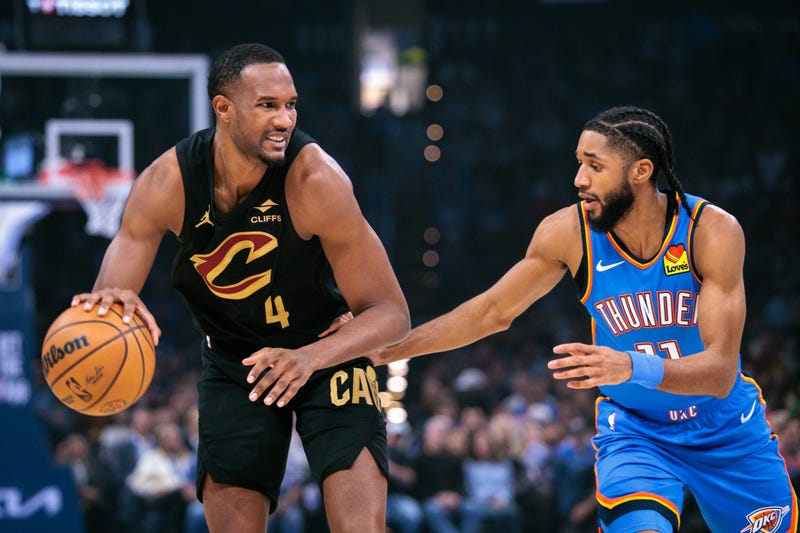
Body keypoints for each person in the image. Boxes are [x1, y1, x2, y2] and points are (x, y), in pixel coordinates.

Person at [372, 106, 798, 532]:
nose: (579, 179)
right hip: (637, 433)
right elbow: (490, 312)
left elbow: (721, 372)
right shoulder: (568, 233)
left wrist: (628, 365)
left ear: (641, 171)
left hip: (723, 425)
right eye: (579, 162)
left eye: (595, 166)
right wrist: (390, 349)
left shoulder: (711, 231)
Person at [72, 43, 410, 532]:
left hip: (327, 350)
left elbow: (392, 314)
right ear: (223, 109)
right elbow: (112, 291)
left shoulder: (316, 180)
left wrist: (310, 358)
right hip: (237, 362)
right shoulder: (169, 182)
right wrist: (113, 299)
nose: (285, 119)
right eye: (268, 105)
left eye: (291, 104)